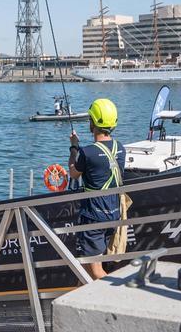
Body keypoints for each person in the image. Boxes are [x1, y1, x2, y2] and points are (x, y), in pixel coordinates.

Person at [69, 98, 126, 279]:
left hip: (94, 216)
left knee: (96, 270)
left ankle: (114, 299)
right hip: (114, 213)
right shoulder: (121, 148)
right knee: (87, 265)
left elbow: (73, 173)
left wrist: (74, 147)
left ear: (93, 122)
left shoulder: (88, 152)